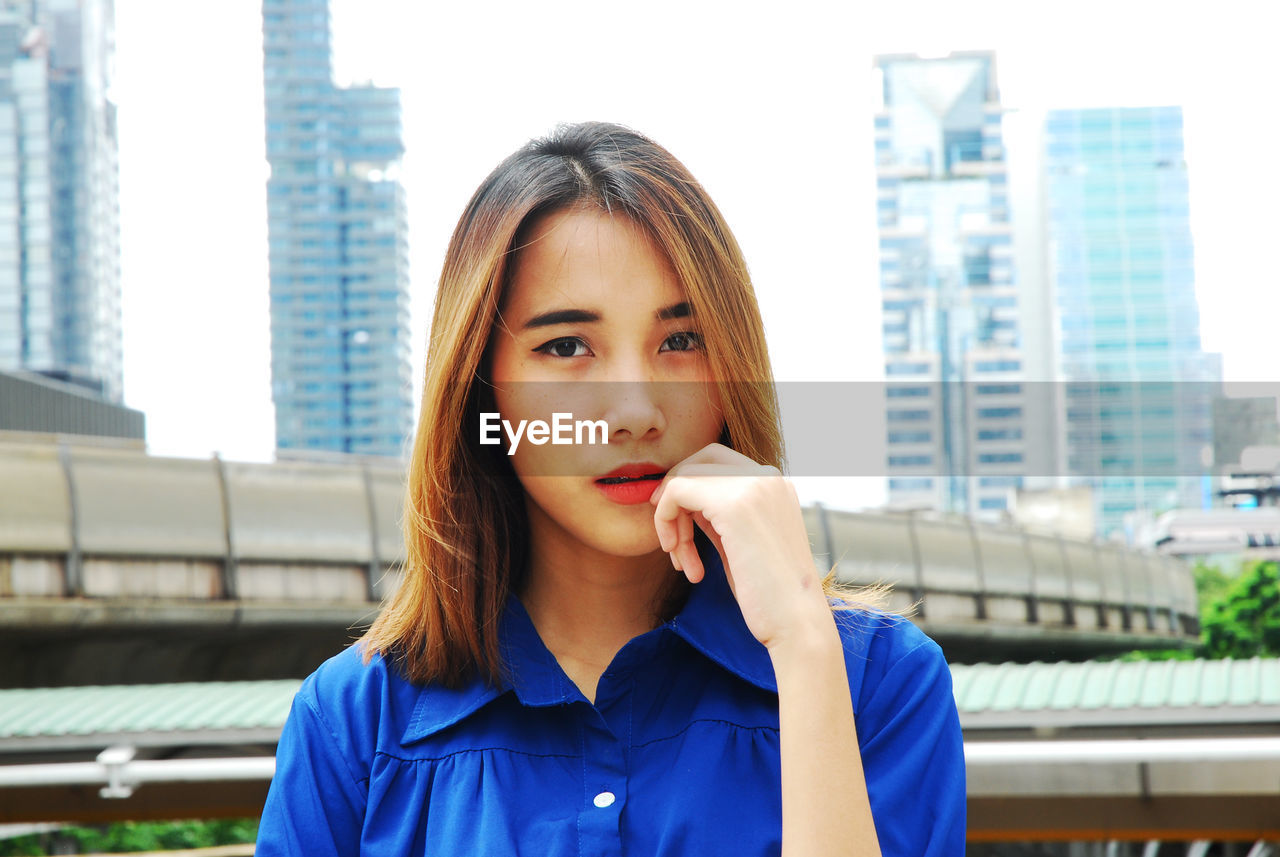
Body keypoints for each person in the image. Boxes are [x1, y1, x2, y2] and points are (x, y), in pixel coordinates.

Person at [255, 122, 965, 856]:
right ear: (482, 392)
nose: (633, 412)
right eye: (566, 347)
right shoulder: (353, 722)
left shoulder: (879, 682)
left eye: (681, 341)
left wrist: (803, 643)